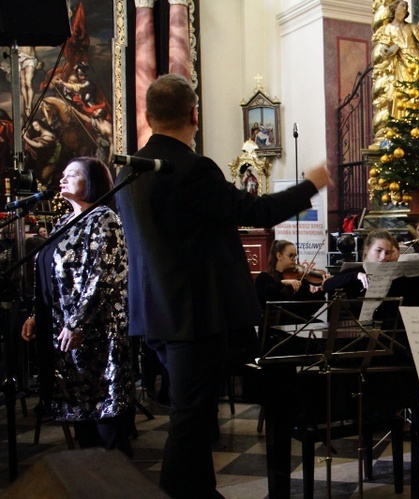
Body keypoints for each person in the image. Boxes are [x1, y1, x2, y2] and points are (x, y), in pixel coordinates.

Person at [115, 73, 331, 498]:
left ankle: (203, 491)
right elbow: (258, 210)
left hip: (155, 313)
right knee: (191, 418)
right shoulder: (192, 169)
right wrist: (311, 184)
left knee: (191, 412)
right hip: (194, 316)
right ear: (194, 115)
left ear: (147, 115)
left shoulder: (131, 172)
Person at [21, 157, 133, 456]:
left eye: (72, 175)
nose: (62, 179)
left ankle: (117, 482)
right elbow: (50, 276)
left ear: (92, 182)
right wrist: (36, 314)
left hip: (95, 335)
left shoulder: (104, 219)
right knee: (81, 418)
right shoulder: (63, 222)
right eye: (63, 174)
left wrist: (78, 322)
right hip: (64, 334)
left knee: (103, 418)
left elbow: (104, 276)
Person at [372, 0, 419, 138]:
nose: (405, 8)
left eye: (406, 6)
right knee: (400, 93)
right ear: (395, 9)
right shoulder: (388, 28)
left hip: (414, 62)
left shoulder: (411, 27)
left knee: (415, 93)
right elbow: (383, 46)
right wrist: (388, 49)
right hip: (400, 63)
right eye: (402, 5)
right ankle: (402, 125)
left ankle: (415, 124)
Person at [255, 239, 326, 322]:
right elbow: (263, 298)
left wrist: (322, 290)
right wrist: (283, 282)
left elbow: (309, 310)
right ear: (279, 256)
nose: (294, 259)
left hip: (295, 325)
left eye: (295, 256)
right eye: (291, 255)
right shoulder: (264, 278)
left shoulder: (299, 279)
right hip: (274, 326)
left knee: (321, 324)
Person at [322, 229, 398, 300]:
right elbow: (327, 286)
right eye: (378, 250)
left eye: (387, 253)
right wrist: (356, 275)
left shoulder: (393, 277)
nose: (383, 257)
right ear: (366, 249)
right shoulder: (353, 273)